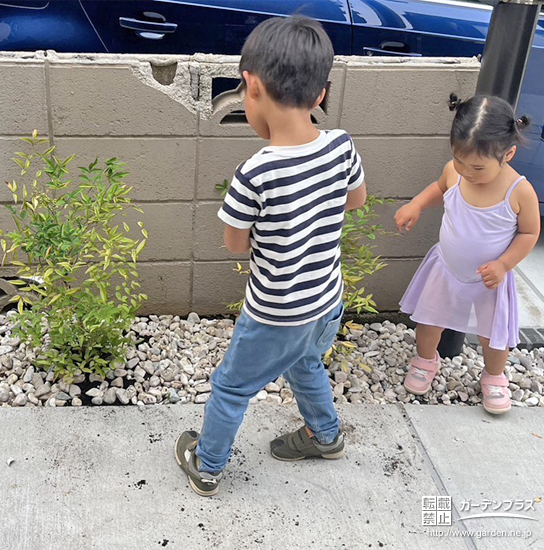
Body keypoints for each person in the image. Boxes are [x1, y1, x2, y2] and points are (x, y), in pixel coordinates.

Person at [174, 15, 367, 496]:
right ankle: (326, 436)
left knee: (231, 387)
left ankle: (207, 465)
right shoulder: (342, 146)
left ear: (251, 86)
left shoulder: (254, 173)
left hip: (276, 313)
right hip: (326, 300)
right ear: (320, 94)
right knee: (305, 364)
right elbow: (356, 200)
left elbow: (235, 244)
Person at [395, 95, 540, 415]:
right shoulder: (454, 172)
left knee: (493, 336)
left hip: (490, 279)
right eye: (459, 160)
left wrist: (504, 264)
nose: (466, 172)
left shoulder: (519, 191)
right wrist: (417, 205)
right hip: (446, 268)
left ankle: (494, 376)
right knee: (428, 321)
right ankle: (425, 360)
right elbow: (440, 188)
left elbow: (529, 233)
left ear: (508, 154)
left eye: (477, 167)